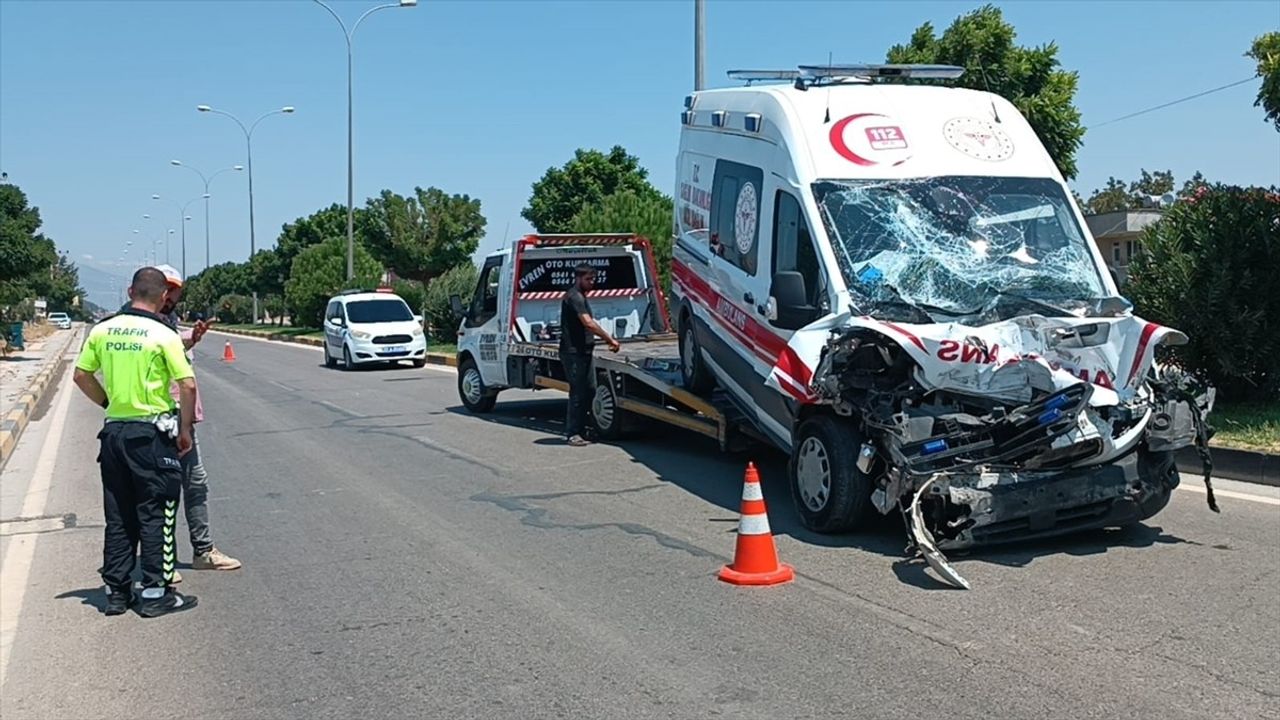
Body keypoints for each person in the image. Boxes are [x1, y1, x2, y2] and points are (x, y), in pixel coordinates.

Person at [72, 267, 199, 617]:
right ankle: (156, 593)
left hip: (113, 435)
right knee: (156, 512)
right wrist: (185, 430)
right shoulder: (162, 333)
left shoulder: (103, 330)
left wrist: (108, 404)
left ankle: (117, 591)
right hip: (152, 436)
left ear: (130, 291)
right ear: (162, 297)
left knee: (119, 515)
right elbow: (187, 385)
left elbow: (81, 375)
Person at [154, 264, 241, 575]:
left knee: (195, 484)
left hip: (181, 415)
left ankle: (202, 551)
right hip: (161, 415)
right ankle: (160, 563)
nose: (172, 295)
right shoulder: (147, 323)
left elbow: (174, 349)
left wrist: (193, 338)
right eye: (168, 289)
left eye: (175, 289)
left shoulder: (169, 321)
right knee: (163, 489)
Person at [559, 263, 620, 447]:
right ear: (578, 278)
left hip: (585, 351)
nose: (592, 282)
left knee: (591, 390)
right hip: (573, 352)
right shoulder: (574, 297)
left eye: (593, 279)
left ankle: (584, 428)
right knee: (578, 392)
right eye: (588, 279)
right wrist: (609, 339)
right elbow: (588, 323)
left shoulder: (581, 297)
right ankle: (573, 433)